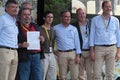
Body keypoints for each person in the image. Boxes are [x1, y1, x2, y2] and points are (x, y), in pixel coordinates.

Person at [90, 0, 120, 80]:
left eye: (110, 6)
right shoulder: (95, 20)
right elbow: (92, 36)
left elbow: (118, 36)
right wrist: (92, 51)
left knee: (110, 74)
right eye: (106, 6)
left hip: (111, 49)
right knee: (97, 73)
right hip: (99, 49)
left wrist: (118, 51)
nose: (108, 8)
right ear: (102, 7)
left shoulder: (115, 20)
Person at [15, 8, 44, 80]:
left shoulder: (35, 26)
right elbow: (11, 43)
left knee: (38, 77)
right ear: (19, 16)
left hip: (37, 56)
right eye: (24, 14)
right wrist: (21, 45)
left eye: (28, 14)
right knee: (24, 77)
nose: (27, 16)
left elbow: (42, 39)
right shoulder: (16, 27)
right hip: (24, 56)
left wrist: (42, 39)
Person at [53, 10, 81, 80]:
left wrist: (78, 55)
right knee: (62, 76)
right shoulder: (55, 28)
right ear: (61, 18)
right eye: (66, 16)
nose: (68, 18)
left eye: (69, 16)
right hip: (61, 54)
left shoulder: (74, 29)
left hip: (73, 54)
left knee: (75, 76)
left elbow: (77, 42)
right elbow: (51, 40)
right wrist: (53, 50)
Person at [72, 8, 93, 80]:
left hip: (90, 51)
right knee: (80, 74)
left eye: (83, 13)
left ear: (86, 14)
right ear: (77, 15)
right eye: (80, 14)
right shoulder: (74, 26)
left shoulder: (91, 24)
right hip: (79, 52)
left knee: (90, 73)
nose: (82, 15)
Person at [0, 0, 18, 80]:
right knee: (3, 76)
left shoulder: (14, 21)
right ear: (6, 8)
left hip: (15, 51)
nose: (15, 9)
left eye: (16, 7)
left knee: (12, 77)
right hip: (4, 51)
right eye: (13, 7)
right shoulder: (2, 19)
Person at [40, 11, 57, 80]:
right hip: (43, 54)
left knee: (52, 75)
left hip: (51, 54)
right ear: (44, 18)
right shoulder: (40, 29)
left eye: (52, 17)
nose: (50, 19)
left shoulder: (53, 30)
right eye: (48, 17)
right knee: (42, 74)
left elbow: (53, 42)